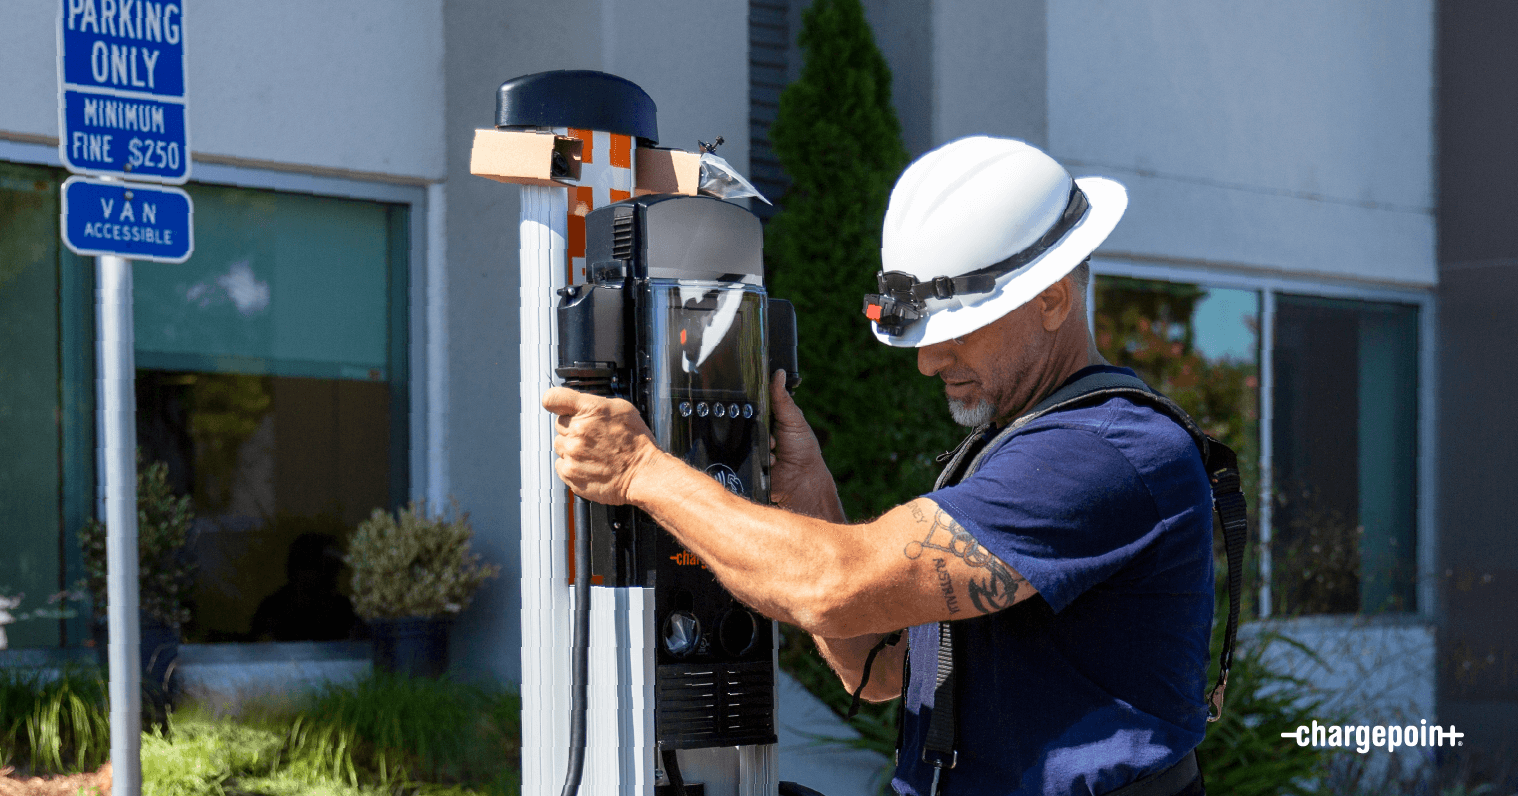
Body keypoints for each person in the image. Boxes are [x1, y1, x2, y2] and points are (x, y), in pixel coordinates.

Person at [542, 136, 1213, 796]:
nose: (928, 361)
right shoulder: (1020, 445)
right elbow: (882, 671)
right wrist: (809, 495)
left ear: (1051, 301)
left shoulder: (1103, 449)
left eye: (955, 332)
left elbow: (835, 587)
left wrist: (642, 473)